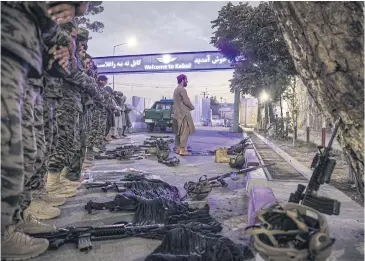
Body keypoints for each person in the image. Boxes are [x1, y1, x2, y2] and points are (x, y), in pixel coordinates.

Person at [172, 74, 195, 156]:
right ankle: (182, 150)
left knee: (178, 132)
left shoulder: (176, 90)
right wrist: (192, 107)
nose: (187, 81)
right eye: (186, 80)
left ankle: (178, 149)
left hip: (177, 113)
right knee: (185, 131)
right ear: (182, 80)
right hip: (183, 113)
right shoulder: (182, 89)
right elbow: (186, 101)